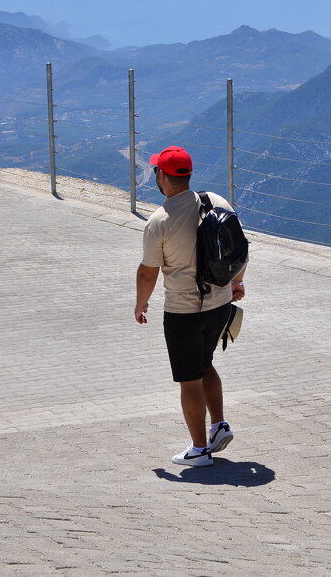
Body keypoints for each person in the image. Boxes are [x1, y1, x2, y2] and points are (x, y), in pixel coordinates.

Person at [133, 145, 247, 467]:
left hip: (183, 313)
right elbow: (241, 248)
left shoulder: (159, 221)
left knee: (189, 379)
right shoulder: (215, 202)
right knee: (205, 363)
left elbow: (147, 272)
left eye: (156, 170)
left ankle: (199, 451)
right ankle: (218, 425)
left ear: (161, 177)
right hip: (220, 305)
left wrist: (140, 305)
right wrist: (236, 282)